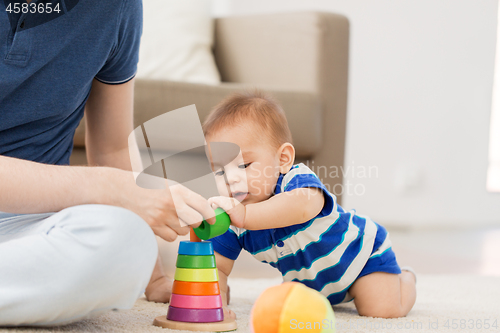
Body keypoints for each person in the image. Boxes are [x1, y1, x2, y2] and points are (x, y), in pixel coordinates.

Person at [0, 0, 213, 326]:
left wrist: (153, 274)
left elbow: (112, 148)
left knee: (127, 243)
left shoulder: (116, 7)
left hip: (29, 228)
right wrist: (106, 186)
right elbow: (110, 179)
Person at [203, 91, 417, 318]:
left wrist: (245, 214)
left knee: (383, 310)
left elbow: (303, 206)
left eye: (244, 165)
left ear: (283, 159)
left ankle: (406, 278)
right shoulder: (231, 218)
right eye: (219, 170)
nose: (231, 178)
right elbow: (218, 267)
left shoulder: (294, 182)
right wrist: (215, 303)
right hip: (310, 284)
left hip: (360, 258)